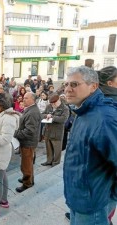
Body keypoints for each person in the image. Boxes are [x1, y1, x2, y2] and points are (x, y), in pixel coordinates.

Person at [63, 66, 117, 225]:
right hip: (78, 198)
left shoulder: (105, 118)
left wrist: (110, 195)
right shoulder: (83, 111)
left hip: (92, 203)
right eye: (66, 85)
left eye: (74, 84)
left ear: (93, 86)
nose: (68, 89)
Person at [14, 92, 41, 192]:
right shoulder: (30, 109)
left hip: (28, 143)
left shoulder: (33, 112)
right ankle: (28, 178)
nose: (23, 100)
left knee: (26, 164)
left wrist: (15, 133)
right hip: (27, 142)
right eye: (23, 98)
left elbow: (29, 131)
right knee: (27, 163)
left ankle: (27, 183)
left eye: (26, 98)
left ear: (32, 100)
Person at [41, 93, 69, 167]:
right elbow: (41, 115)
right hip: (47, 131)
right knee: (48, 148)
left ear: (59, 100)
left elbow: (63, 119)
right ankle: (49, 160)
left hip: (57, 132)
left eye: (54, 103)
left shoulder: (65, 108)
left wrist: (53, 117)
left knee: (57, 149)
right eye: (51, 103)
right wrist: (46, 115)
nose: (53, 105)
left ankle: (56, 163)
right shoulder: (48, 106)